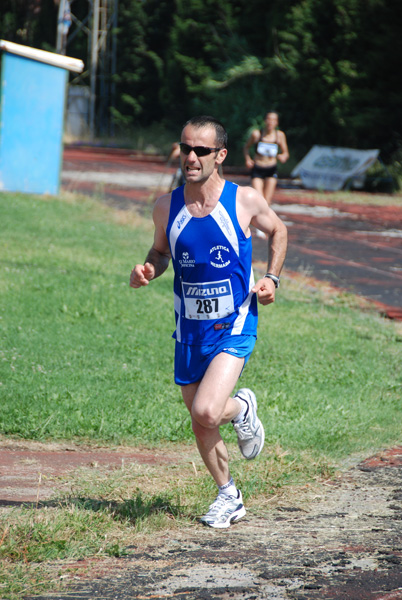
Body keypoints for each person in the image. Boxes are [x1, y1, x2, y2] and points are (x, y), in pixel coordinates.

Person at [130, 115, 287, 529]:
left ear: (221, 155)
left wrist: (271, 278)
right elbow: (160, 252)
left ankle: (233, 418)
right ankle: (229, 491)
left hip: (235, 321)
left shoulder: (244, 200)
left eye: (201, 150)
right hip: (189, 329)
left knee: (204, 408)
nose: (192, 157)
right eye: (186, 148)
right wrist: (149, 268)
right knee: (202, 420)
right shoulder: (167, 206)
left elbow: (279, 230)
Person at [243, 111, 289, 220]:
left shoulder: (279, 135)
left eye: (273, 120)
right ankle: (259, 222)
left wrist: (283, 156)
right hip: (258, 168)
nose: (270, 122)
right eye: (269, 119)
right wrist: (248, 159)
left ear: (276, 122)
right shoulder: (257, 134)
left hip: (271, 168)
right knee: (259, 198)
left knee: (267, 200)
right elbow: (246, 147)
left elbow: (286, 152)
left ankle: (264, 222)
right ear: (265, 121)